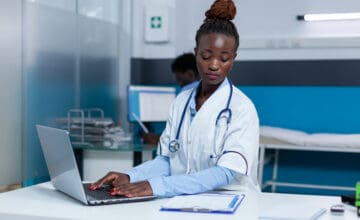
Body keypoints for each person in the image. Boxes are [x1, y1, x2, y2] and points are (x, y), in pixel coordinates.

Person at [90, 0, 260, 198]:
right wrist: (130, 176)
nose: (214, 65)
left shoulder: (241, 108)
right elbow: (166, 161)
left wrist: (157, 186)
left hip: (230, 200)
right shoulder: (181, 102)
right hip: (184, 199)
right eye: (206, 56)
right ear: (196, 53)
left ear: (233, 59)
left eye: (224, 59)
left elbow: (224, 173)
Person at [142, 53, 200, 145]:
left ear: (190, 74)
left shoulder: (186, 95)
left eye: (179, 78)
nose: (178, 82)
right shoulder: (207, 91)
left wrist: (157, 140)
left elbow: (181, 137)